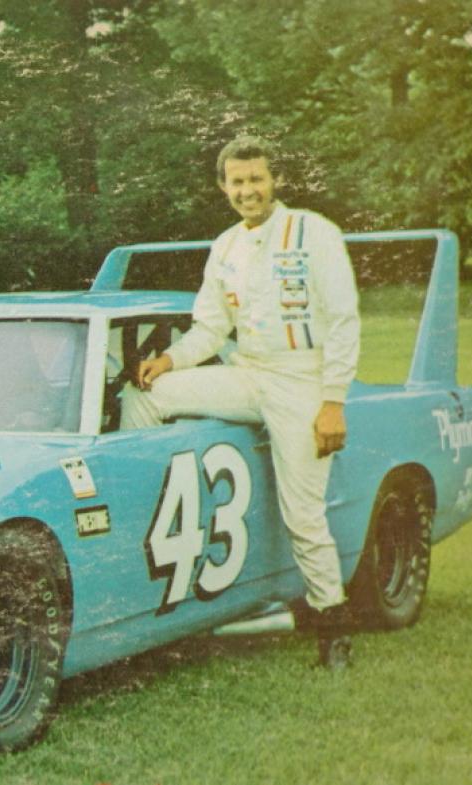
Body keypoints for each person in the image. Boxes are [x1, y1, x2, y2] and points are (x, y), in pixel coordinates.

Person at [121, 135, 360, 670]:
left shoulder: (314, 232)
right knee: (149, 393)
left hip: (303, 380)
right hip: (248, 373)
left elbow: (344, 321)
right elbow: (209, 329)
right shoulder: (225, 246)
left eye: (256, 179)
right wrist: (171, 360)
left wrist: (333, 401)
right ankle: (144, 528)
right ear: (222, 186)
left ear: (275, 180)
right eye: (237, 182)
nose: (247, 190)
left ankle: (333, 630)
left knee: (302, 513)